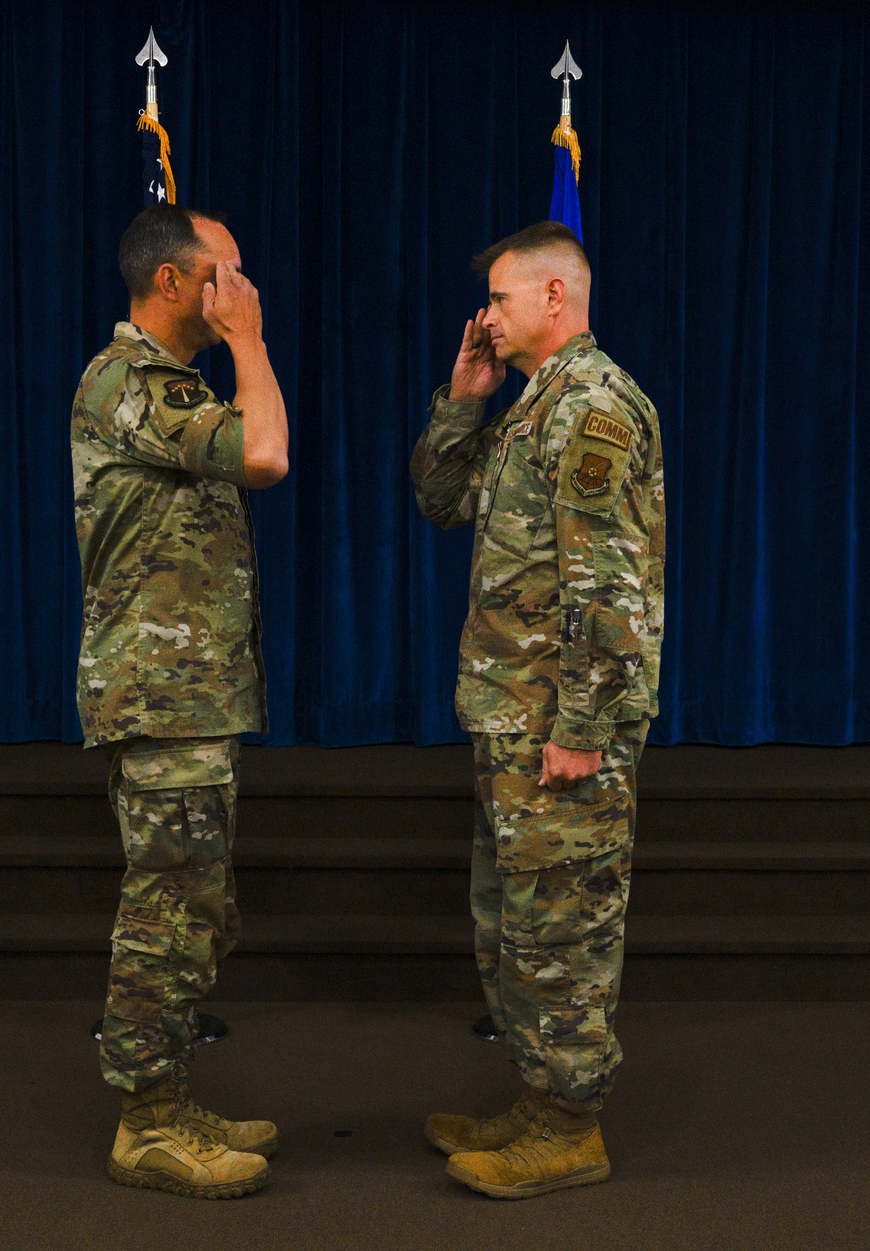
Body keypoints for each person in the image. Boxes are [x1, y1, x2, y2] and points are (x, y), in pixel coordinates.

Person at [411, 220, 664, 1199]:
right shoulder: (528, 408)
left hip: (559, 722)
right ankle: (536, 1095)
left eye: (503, 302)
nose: (488, 318)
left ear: (555, 298)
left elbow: (608, 588)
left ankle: (570, 1126)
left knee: (562, 924)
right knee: (514, 920)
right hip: (510, 711)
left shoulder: (594, 408)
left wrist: (581, 730)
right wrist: (462, 400)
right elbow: (442, 501)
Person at [71, 203, 289, 1199]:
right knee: (165, 910)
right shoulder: (126, 382)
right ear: (173, 283)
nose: (239, 289)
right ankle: (144, 1125)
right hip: (158, 697)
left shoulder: (172, 386)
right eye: (225, 275)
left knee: (197, 905)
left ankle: (169, 1095)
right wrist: (250, 342)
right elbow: (266, 455)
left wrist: (233, 344)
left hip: (190, 696)